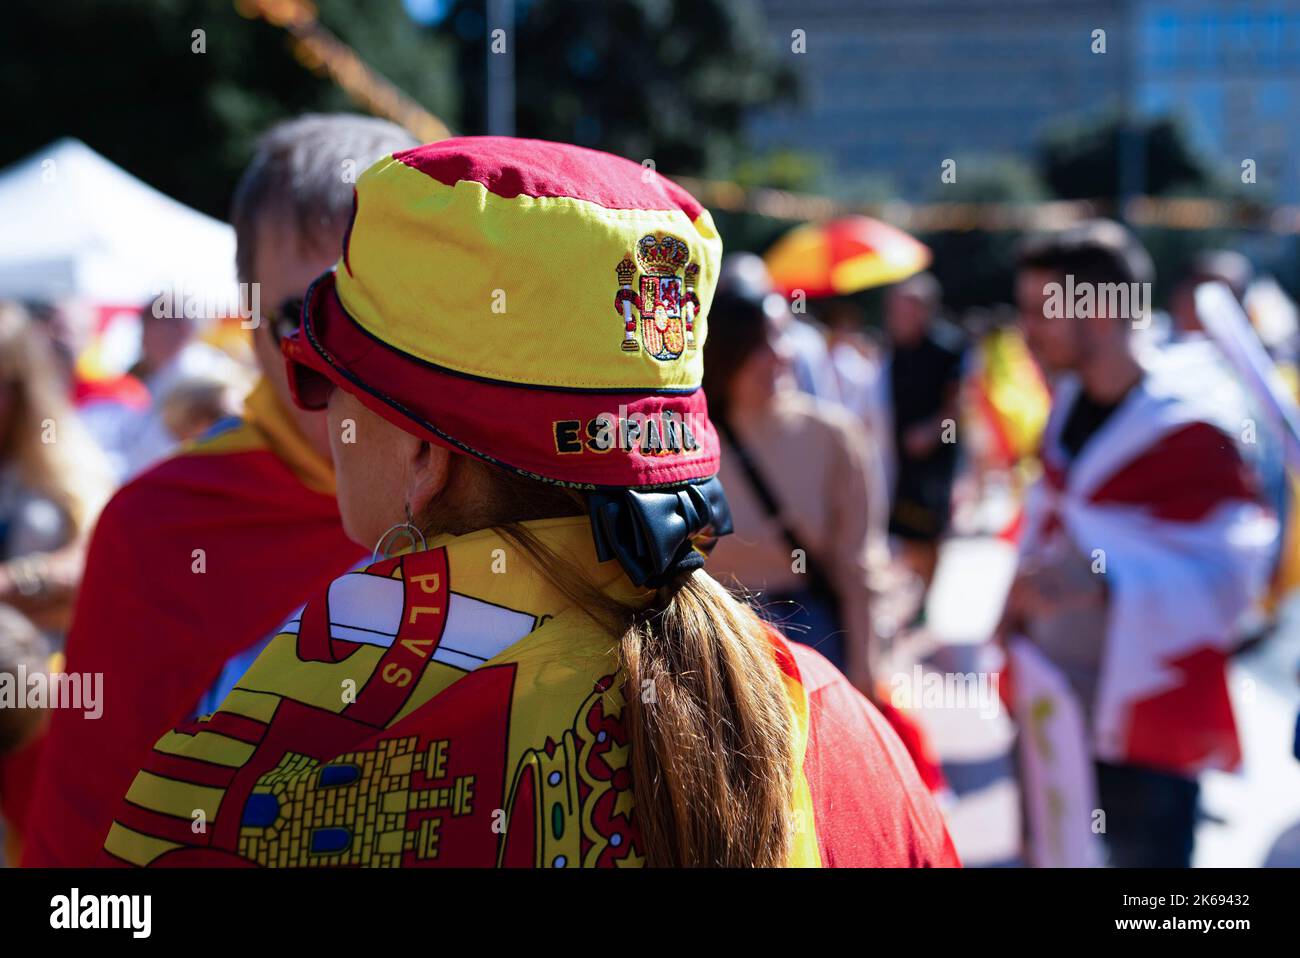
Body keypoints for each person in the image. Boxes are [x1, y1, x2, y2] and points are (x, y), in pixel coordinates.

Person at [103, 137, 958, 868]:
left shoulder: (270, 780)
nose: (320, 413)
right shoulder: (839, 725)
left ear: (424, 457)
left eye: (331, 381)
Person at [20, 114, 416, 867]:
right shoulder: (164, 527)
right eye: (307, 317)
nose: (346, 365)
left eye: (382, 319)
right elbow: (84, 850)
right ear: (246, 315)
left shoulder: (509, 495)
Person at [1007, 220, 1275, 867]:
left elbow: (1238, 570)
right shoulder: (1068, 406)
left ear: (1097, 313)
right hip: (1056, 699)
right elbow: (1058, 512)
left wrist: (1107, 578)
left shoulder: (1192, 423)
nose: (1026, 331)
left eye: (1040, 310)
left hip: (1147, 716)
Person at [701, 282, 887, 698]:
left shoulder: (834, 437)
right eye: (758, 343)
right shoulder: (686, 441)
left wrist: (864, 670)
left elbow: (859, 566)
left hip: (810, 645)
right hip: (715, 649)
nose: (780, 354)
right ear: (721, 352)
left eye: (782, 335)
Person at [0, 303, 113, 634]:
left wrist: (16, 582)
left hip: (40, 672)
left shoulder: (69, 461)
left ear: (23, 390)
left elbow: (94, 560)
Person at [883, 273, 966, 594]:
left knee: (929, 529)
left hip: (934, 456)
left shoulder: (947, 348)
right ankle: (913, 589)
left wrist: (932, 433)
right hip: (899, 452)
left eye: (902, 309)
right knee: (903, 528)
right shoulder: (893, 349)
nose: (894, 317)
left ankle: (926, 592)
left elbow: (958, 402)